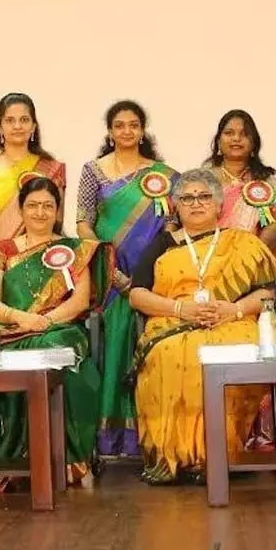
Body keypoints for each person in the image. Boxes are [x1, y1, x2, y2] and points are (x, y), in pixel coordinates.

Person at [0, 177, 111, 493]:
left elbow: (79, 302)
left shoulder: (74, 250)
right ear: (21, 210)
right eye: (33, 205)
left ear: (57, 212)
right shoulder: (3, 250)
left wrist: (43, 320)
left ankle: (61, 458)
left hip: (59, 328)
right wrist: (21, 318)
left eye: (48, 206)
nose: (40, 212)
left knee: (57, 347)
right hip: (12, 328)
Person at [130, 168, 276, 485]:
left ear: (219, 204)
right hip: (174, 320)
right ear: (176, 206)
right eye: (187, 198)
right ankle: (175, 457)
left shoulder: (242, 242)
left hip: (231, 319)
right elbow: (137, 294)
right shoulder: (163, 244)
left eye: (204, 196)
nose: (196, 203)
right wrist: (182, 309)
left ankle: (217, 453)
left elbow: (268, 292)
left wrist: (234, 309)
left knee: (231, 352)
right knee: (171, 354)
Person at [74, 100, 178, 458]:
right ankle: (112, 438)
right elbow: (83, 223)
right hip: (110, 273)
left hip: (152, 275)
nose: (127, 131)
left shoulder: (162, 175)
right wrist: (110, 267)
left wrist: (147, 274)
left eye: (134, 125)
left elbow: (170, 227)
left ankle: (153, 435)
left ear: (142, 129)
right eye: (119, 125)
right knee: (113, 342)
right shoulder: (94, 171)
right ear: (110, 131)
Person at [202, 109, 276, 450]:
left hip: (255, 276)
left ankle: (260, 435)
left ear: (254, 141)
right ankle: (213, 430)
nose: (236, 138)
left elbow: (275, 225)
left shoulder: (272, 182)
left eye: (244, 133)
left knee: (259, 341)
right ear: (219, 139)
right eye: (229, 132)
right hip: (208, 273)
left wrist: (243, 259)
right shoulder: (204, 178)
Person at [0, 93, 66, 309]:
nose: (17, 126)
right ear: (0, 127)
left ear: (34, 126)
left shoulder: (50, 167)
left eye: (24, 120)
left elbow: (56, 221)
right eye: (10, 120)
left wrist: (23, 264)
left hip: (35, 268)